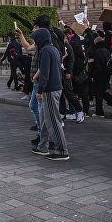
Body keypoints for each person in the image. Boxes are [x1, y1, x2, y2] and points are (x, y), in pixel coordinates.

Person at [31, 28, 70, 161]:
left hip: (50, 89)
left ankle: (62, 150)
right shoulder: (53, 49)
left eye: (36, 39)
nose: (35, 43)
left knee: (53, 120)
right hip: (56, 87)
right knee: (44, 119)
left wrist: (40, 91)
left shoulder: (45, 51)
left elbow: (44, 73)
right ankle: (42, 146)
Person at [15, 15, 51, 146]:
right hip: (38, 80)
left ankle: (45, 137)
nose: (33, 29)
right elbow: (27, 48)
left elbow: (47, 63)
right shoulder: (41, 42)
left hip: (40, 80)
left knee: (40, 108)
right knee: (36, 107)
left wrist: (36, 77)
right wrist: (21, 35)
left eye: (35, 27)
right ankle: (43, 134)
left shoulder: (47, 43)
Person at [88, 36, 112, 116]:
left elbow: (96, 65)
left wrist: (92, 75)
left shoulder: (97, 52)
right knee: (102, 92)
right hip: (106, 74)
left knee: (99, 94)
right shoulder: (106, 51)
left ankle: (101, 112)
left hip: (99, 75)